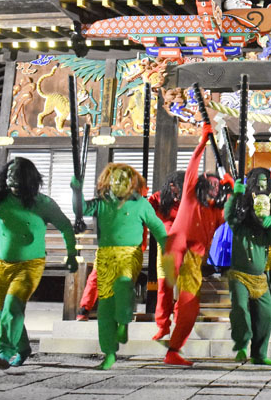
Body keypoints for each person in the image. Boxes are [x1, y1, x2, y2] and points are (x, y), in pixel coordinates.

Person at [0, 156, 77, 369]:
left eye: (17, 174)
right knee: (5, 312)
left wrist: (72, 253)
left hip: (31, 265)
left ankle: (5, 351)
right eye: (9, 174)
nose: (12, 179)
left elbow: (66, 226)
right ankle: (23, 348)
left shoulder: (43, 203)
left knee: (12, 307)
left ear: (29, 178)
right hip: (3, 265)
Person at [72, 163, 167, 369]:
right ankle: (108, 353)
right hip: (105, 256)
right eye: (115, 179)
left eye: (124, 179)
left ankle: (123, 321)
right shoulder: (101, 203)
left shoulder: (141, 204)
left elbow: (157, 227)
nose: (119, 182)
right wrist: (76, 191)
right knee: (105, 306)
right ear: (108, 181)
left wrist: (168, 247)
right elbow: (80, 209)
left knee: (124, 285)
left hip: (129, 254)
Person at [163, 124, 230, 366]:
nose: (214, 186)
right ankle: (167, 334)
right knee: (171, 293)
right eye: (210, 183)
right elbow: (193, 166)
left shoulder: (216, 212)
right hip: (177, 249)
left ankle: (173, 346)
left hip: (194, 259)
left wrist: (234, 188)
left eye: (217, 185)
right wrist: (202, 142)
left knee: (189, 303)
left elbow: (231, 212)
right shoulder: (191, 193)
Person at [225, 168, 271, 364]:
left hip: (259, 279)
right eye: (258, 204)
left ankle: (259, 354)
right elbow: (229, 216)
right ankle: (242, 344)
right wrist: (235, 196)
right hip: (239, 276)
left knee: (266, 316)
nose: (262, 208)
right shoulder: (240, 225)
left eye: (265, 205)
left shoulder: (265, 229)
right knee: (241, 310)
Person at [148, 171, 185, 340]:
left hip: (186, 248)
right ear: (172, 187)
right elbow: (144, 212)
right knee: (164, 288)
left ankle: (179, 319)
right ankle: (163, 326)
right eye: (179, 190)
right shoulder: (158, 198)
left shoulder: (190, 198)